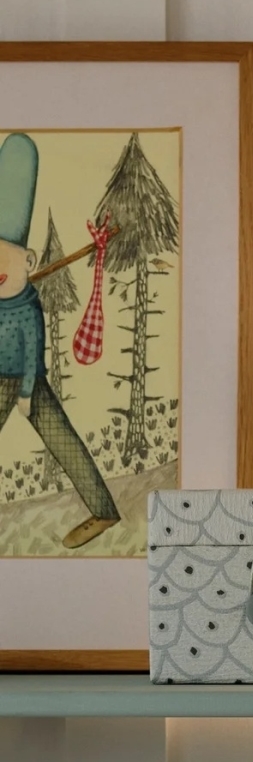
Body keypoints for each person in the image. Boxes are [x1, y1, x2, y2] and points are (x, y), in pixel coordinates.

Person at [0, 133, 119, 550]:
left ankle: (103, 510)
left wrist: (27, 392)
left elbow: (33, 350)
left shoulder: (27, 308)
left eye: (5, 259)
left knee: (62, 441)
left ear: (29, 262)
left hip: (26, 383)